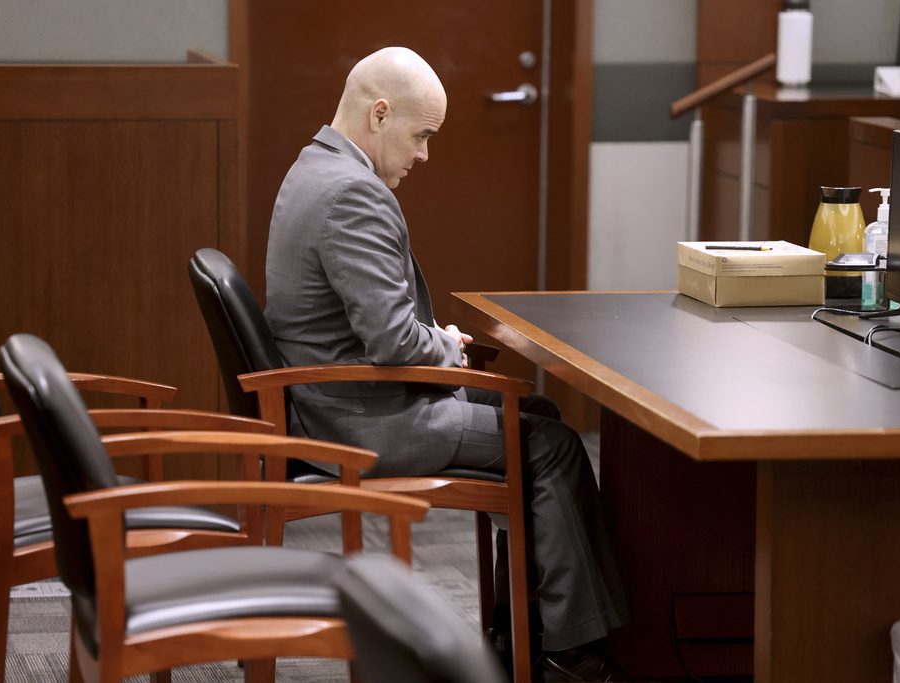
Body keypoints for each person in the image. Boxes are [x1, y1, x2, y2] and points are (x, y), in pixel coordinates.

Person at [264, 46, 629, 682]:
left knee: (535, 415)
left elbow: (371, 323)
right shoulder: (354, 192)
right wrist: (447, 345)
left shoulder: (311, 167)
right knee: (552, 445)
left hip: (330, 400)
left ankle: (521, 630)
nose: (425, 155)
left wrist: (435, 339)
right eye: (421, 135)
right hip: (363, 421)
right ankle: (572, 658)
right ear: (380, 114)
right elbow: (394, 345)